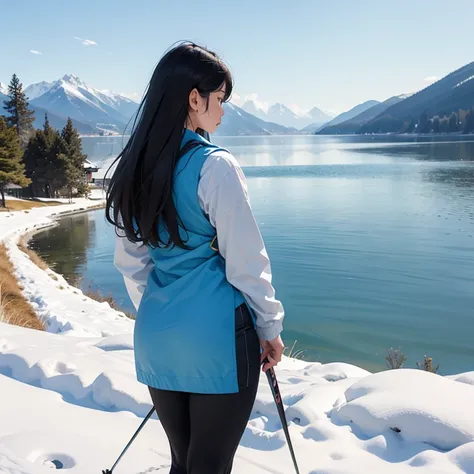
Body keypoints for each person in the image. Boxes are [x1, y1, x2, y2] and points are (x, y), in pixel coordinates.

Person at [105, 41, 285, 474]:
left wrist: (167, 313)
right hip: (218, 343)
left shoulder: (134, 168)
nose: (222, 112)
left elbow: (131, 263)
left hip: (158, 340)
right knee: (209, 466)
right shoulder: (216, 166)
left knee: (182, 463)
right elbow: (247, 263)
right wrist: (270, 327)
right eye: (219, 99)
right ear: (194, 98)